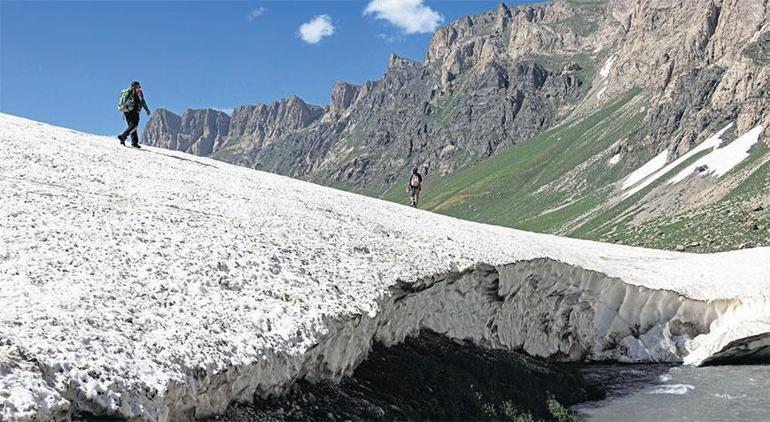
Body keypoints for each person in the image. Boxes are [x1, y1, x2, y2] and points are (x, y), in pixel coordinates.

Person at [118, 81, 150, 148]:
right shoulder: (138, 92)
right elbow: (142, 102)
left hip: (126, 110)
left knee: (131, 126)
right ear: (137, 86)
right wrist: (147, 110)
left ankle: (134, 142)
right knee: (134, 126)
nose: (139, 87)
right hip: (134, 111)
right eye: (138, 86)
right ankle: (123, 136)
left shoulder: (127, 91)